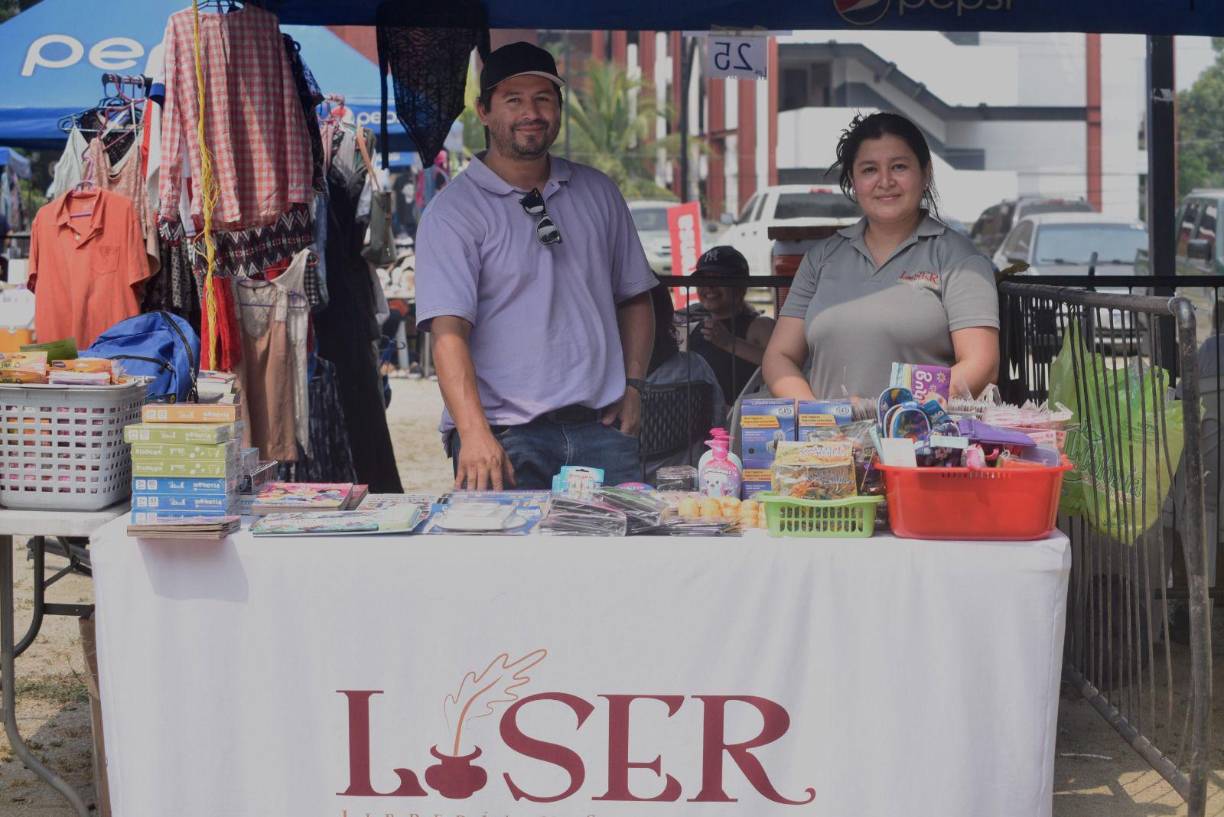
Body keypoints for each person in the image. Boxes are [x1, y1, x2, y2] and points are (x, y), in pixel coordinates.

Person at [414, 41, 656, 491]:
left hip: (602, 432)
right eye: (514, 100)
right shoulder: (453, 212)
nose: (531, 112)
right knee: (510, 543)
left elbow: (636, 299)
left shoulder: (598, 192)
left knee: (622, 540)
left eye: (544, 98)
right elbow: (448, 333)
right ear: (484, 111)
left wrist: (635, 386)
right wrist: (473, 432)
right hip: (504, 438)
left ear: (559, 109)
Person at [762, 112, 999, 403]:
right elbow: (779, 356)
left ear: (925, 173)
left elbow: (982, 363)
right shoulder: (820, 258)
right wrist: (818, 416)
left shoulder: (958, 259)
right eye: (869, 170)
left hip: (918, 429)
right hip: (829, 432)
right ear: (853, 180)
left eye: (899, 167)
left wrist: (904, 413)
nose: (885, 181)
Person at [644, 282, 727, 480]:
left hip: (619, 478)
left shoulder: (607, 378)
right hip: (685, 478)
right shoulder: (696, 366)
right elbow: (718, 424)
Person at [686, 245, 775, 405]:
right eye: (703, 280)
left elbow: (784, 364)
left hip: (744, 417)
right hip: (699, 416)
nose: (709, 287)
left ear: (741, 287)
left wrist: (729, 342)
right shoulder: (692, 326)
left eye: (719, 279)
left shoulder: (760, 326)